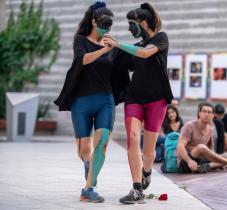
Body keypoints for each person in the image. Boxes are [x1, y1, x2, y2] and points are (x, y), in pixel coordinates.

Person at [54, 1, 127, 203]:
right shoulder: (80, 40)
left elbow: (129, 62)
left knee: (102, 143)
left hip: (105, 100)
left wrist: (121, 46)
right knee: (84, 150)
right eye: (103, 25)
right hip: (81, 102)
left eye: (109, 26)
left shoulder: (112, 44)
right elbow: (82, 60)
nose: (106, 29)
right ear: (94, 22)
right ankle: (90, 166)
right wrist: (104, 50)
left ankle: (88, 189)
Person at [103, 2, 173, 204]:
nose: (129, 29)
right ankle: (136, 189)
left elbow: (144, 53)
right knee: (133, 138)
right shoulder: (133, 48)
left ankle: (147, 171)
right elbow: (111, 61)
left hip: (156, 100)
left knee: (149, 152)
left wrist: (118, 44)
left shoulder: (161, 39)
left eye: (131, 24)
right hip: (134, 99)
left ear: (143, 22)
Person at [176, 102, 227, 173]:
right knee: (201, 147)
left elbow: (211, 149)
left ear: (213, 115)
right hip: (186, 161)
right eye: (204, 111)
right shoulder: (189, 126)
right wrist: (189, 161)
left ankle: (208, 166)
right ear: (199, 113)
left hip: (201, 160)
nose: (206, 114)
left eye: (209, 112)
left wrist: (218, 161)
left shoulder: (210, 129)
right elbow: (180, 146)